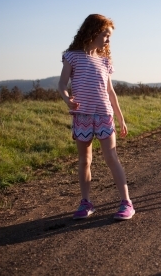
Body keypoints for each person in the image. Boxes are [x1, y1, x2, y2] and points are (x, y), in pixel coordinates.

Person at [58, 14, 135, 220]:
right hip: (82, 116)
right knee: (84, 161)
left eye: (109, 36)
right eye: (105, 34)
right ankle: (86, 202)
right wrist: (68, 100)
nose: (108, 40)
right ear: (92, 31)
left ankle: (126, 202)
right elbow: (61, 85)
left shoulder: (105, 60)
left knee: (112, 157)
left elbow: (111, 92)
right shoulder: (72, 56)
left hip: (104, 115)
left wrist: (121, 119)